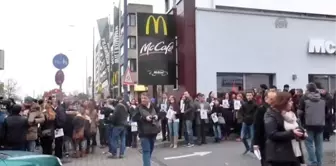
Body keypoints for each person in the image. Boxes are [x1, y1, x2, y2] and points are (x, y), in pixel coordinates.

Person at [264, 92, 304, 166]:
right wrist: (292, 133)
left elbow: (296, 127)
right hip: (280, 155)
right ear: (283, 102)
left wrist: (302, 133)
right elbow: (272, 134)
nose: (292, 102)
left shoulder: (290, 114)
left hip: (294, 152)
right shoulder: (271, 114)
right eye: (290, 101)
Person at [298, 83, 327, 166]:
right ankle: (319, 163)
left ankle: (313, 162)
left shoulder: (304, 98)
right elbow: (326, 111)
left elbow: (300, 112)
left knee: (309, 144)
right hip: (320, 124)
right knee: (319, 145)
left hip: (308, 125)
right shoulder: (322, 98)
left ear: (307, 89)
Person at [133, 92, 160, 166]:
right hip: (143, 133)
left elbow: (162, 113)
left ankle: (146, 163)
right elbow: (134, 118)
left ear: (149, 99)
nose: (143, 100)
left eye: (145, 98)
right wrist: (144, 118)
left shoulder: (154, 106)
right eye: (142, 98)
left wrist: (157, 116)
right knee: (146, 151)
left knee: (150, 149)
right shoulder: (138, 107)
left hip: (153, 132)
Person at [253, 90, 276, 166]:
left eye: (275, 98)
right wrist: (256, 143)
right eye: (272, 99)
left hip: (274, 141)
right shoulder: (261, 110)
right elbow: (257, 127)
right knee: (266, 161)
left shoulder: (276, 109)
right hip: (264, 140)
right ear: (266, 98)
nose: (274, 101)